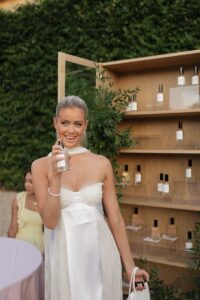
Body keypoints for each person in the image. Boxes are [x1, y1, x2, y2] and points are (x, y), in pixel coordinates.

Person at [32, 95, 149, 300]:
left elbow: (115, 219)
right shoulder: (40, 166)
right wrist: (56, 177)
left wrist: (130, 267)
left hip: (100, 256)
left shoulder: (101, 163)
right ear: (55, 123)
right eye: (65, 123)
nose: (71, 130)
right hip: (63, 260)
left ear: (85, 125)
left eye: (77, 124)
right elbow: (49, 222)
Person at [8, 170, 44, 254]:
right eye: (25, 181)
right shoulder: (18, 199)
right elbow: (13, 228)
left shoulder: (45, 201)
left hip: (39, 246)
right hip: (20, 243)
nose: (27, 185)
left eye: (31, 182)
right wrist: (9, 248)